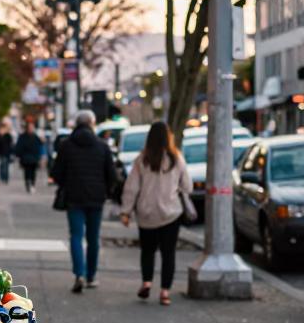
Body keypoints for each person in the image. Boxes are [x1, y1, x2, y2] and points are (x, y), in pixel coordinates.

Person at [119, 122, 193, 305]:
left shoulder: (142, 159)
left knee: (147, 250)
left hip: (146, 213)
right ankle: (165, 291)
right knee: (169, 253)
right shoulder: (176, 158)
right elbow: (188, 186)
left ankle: (147, 282)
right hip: (171, 213)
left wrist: (126, 211)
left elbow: (131, 187)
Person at [51, 109, 117, 294]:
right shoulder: (102, 146)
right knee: (93, 237)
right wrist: (107, 192)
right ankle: (91, 275)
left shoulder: (66, 145)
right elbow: (111, 174)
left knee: (76, 235)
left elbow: (57, 173)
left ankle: (79, 272)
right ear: (92, 124)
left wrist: (65, 183)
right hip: (96, 197)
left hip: (74, 196)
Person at [14, 122, 45, 194]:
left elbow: (40, 146)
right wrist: (18, 155)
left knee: (33, 172)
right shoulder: (22, 137)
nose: (31, 129)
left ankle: (32, 184)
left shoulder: (36, 137)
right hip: (26, 158)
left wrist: (41, 156)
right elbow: (19, 147)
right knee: (27, 172)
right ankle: (28, 183)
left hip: (34, 158)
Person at [0, 119, 14, 184]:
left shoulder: (7, 136)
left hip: (6, 153)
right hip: (1, 153)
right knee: (2, 166)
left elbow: (10, 145)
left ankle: (5, 178)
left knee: (5, 166)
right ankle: (2, 178)